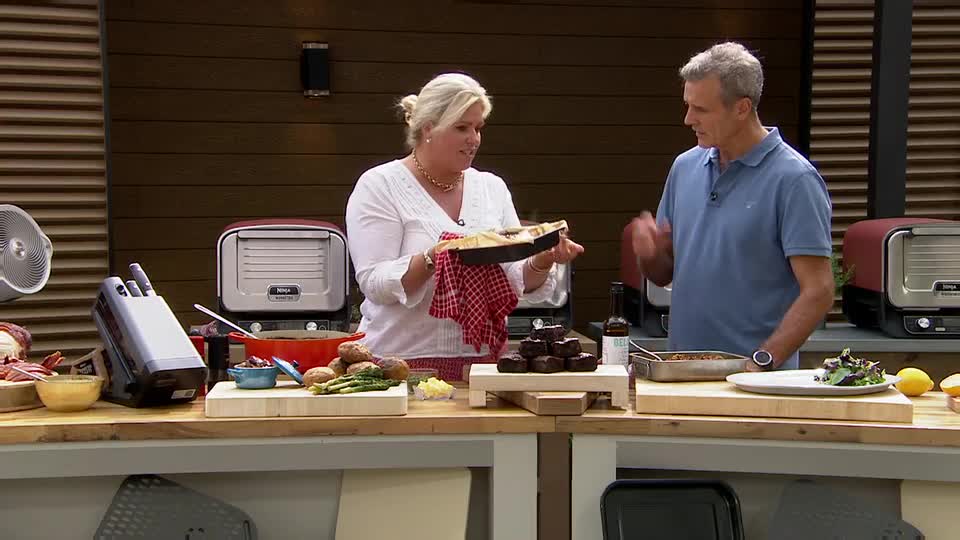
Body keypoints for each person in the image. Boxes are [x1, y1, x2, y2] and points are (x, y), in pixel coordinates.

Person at [345, 73, 584, 380]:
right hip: (398, 365)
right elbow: (375, 284)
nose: (474, 139)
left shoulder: (491, 188)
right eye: (462, 128)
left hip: (482, 364)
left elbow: (514, 277)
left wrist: (543, 258)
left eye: (478, 128)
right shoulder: (380, 186)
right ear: (429, 127)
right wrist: (435, 255)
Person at [629, 42, 834, 371]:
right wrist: (650, 254)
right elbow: (664, 273)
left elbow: (819, 291)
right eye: (687, 105)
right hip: (682, 373)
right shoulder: (684, 168)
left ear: (742, 108)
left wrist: (762, 361)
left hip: (758, 386)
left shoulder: (795, 180)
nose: (687, 119)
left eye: (701, 109)